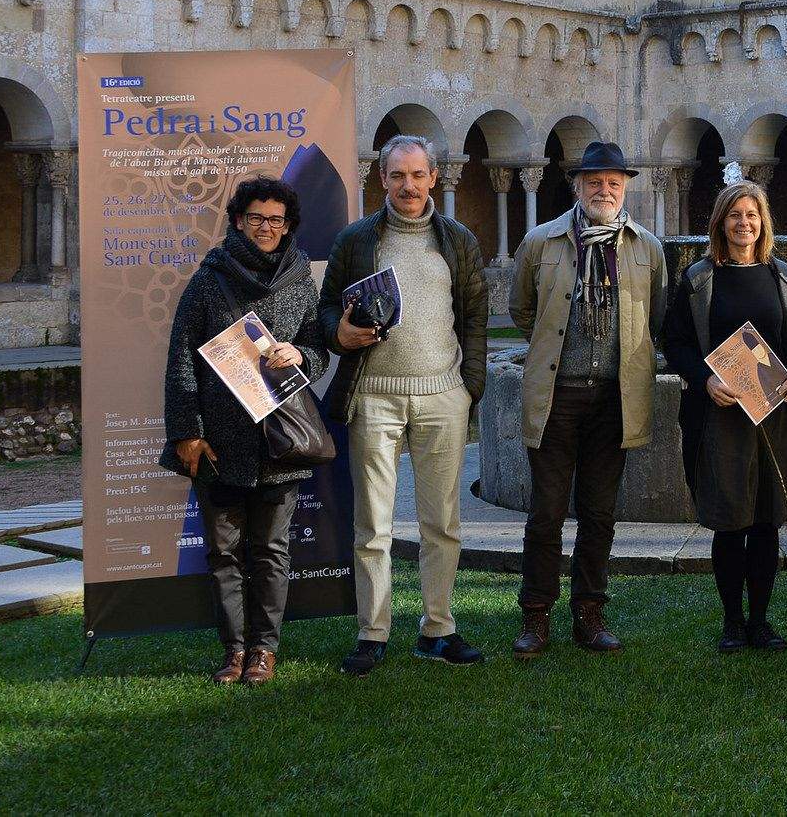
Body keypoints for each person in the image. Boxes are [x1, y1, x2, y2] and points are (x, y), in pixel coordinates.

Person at [319, 134, 489, 675]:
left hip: (442, 395)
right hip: (374, 397)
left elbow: (475, 318)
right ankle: (373, 632)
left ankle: (437, 628)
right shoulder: (356, 240)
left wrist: (471, 387)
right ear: (382, 180)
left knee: (442, 522)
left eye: (418, 175)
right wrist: (338, 333)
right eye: (397, 176)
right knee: (374, 526)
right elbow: (327, 310)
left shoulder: (457, 241)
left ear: (434, 178)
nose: (408, 186)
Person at [163, 176, 330, 686]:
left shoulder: (301, 278)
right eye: (256, 218)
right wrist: (186, 432)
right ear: (238, 220)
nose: (266, 227)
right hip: (218, 439)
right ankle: (235, 651)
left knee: (272, 551)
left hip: (279, 439)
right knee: (224, 554)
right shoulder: (210, 278)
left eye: (275, 220)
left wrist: (300, 354)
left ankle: (264, 650)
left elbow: (318, 348)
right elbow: (181, 357)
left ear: (287, 227)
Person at [508, 141, 669, 656]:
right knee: (547, 511)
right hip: (557, 394)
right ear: (577, 186)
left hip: (613, 398)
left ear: (625, 189)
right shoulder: (541, 241)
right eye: (595, 181)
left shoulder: (647, 247)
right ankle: (536, 617)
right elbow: (521, 310)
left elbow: (657, 315)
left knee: (600, 513)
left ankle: (590, 615)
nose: (605, 190)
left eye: (614, 183)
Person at [661, 177, 787, 652]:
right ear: (720, 222)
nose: (744, 223)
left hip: (775, 412)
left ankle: (761, 621)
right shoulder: (699, 279)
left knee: (766, 520)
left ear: (763, 221)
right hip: (721, 414)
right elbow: (677, 342)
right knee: (730, 520)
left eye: (752, 215)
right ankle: (731, 621)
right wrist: (705, 380)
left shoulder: (785, 277)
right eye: (735, 215)